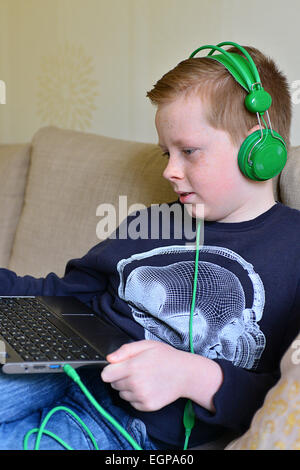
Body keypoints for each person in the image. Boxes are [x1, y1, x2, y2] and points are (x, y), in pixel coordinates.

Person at [0, 43, 299, 451]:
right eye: (165, 152)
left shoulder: (293, 248)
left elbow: (284, 393)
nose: (169, 171)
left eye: (188, 151)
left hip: (122, 424)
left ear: (259, 151)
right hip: (62, 367)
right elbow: (65, 296)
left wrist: (194, 376)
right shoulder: (148, 221)